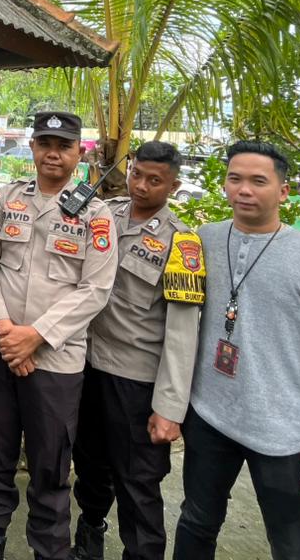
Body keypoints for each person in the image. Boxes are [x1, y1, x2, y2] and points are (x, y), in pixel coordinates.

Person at [172, 141, 300, 560]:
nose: (244, 190)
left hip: (282, 432)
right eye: (235, 179)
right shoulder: (202, 241)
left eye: (259, 181)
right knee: (196, 522)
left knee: (291, 545)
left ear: (283, 191)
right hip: (209, 416)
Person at [0, 111, 118, 560]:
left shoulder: (96, 215)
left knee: (51, 467)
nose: (53, 153)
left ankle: (50, 550)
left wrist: (35, 336)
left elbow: (96, 289)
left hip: (56, 362)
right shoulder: (7, 199)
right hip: (0, 352)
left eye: (64, 146)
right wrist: (6, 331)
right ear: (33, 147)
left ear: (79, 153)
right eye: (45, 144)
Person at [71, 141, 202, 560]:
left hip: (136, 380)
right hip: (87, 364)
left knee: (138, 482)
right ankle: (89, 537)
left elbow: (183, 333)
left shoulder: (182, 243)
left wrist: (170, 408)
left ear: (173, 186)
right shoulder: (104, 214)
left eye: (154, 180)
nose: (141, 185)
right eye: (136, 175)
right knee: (89, 465)